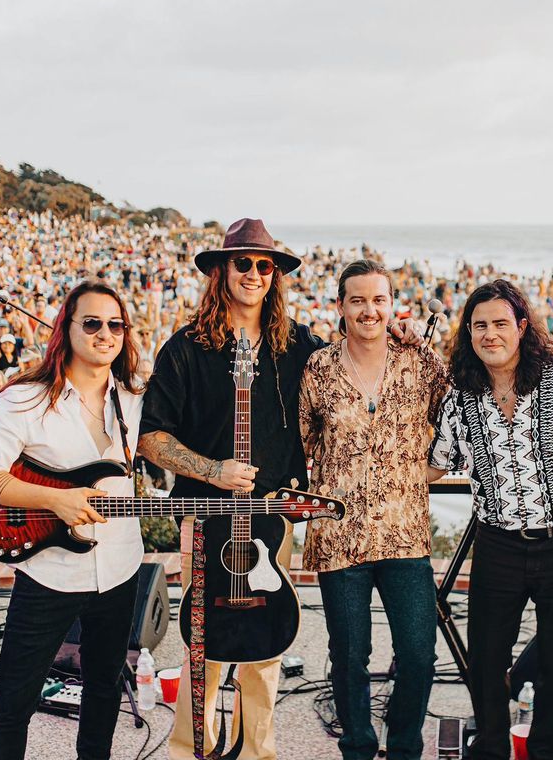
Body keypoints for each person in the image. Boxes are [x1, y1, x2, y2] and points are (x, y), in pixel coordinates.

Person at [138, 219, 421, 760]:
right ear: (221, 270)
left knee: (265, 644)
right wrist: (209, 469)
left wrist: (394, 334)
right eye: (242, 262)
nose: (253, 273)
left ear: (276, 275)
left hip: (272, 521)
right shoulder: (184, 349)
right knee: (205, 645)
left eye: (263, 265)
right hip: (205, 515)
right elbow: (152, 438)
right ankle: (188, 750)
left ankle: (258, 753)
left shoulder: (298, 348)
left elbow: (353, 361)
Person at [0, 280, 145, 760]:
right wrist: (53, 501)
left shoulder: (133, 401)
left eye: (115, 324)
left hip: (120, 569)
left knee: (104, 689)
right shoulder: (25, 399)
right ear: (66, 328)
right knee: (15, 698)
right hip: (49, 574)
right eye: (92, 323)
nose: (105, 333)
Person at [428, 279, 553, 760]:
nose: (490, 334)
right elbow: (437, 461)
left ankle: (549, 750)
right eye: (479, 325)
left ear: (522, 327)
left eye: (501, 323)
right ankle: (490, 747)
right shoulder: (461, 394)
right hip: (498, 545)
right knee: (486, 657)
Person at [300, 260, 448, 760]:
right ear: (340, 306)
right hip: (338, 537)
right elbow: (301, 445)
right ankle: (358, 747)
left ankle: (405, 746)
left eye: (379, 299)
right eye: (357, 300)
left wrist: (416, 474)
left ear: (392, 305)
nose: (369, 310)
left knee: (418, 655)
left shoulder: (420, 361)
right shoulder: (319, 368)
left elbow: (454, 430)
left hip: (404, 535)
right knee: (348, 657)